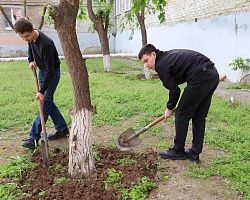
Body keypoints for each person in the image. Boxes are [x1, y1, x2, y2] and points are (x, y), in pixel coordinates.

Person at [138, 44, 219, 163]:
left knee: (181, 115)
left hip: (200, 77)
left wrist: (169, 108)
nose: (146, 65)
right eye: (144, 63)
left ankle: (178, 151)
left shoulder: (162, 65)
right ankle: (194, 153)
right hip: (212, 75)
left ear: (154, 54)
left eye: (147, 60)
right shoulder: (167, 57)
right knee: (199, 117)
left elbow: (175, 90)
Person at [13, 17, 69, 149]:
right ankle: (62, 129)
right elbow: (30, 47)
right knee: (49, 102)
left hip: (52, 74)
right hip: (42, 71)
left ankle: (33, 138)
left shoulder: (46, 44)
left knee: (44, 104)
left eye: (26, 36)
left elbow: (50, 71)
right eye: (22, 37)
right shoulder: (31, 38)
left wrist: (41, 91)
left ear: (32, 30)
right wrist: (31, 60)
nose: (25, 39)